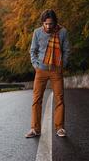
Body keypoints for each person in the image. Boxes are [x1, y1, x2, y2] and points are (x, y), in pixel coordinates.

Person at [25, 9, 70, 138]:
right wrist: (36, 66)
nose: (48, 26)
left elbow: (66, 51)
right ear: (42, 23)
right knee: (36, 100)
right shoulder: (37, 33)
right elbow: (33, 51)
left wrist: (63, 66)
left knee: (59, 99)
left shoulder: (63, 32)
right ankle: (35, 129)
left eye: (51, 24)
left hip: (56, 70)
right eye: (46, 24)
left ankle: (60, 128)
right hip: (41, 70)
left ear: (55, 22)